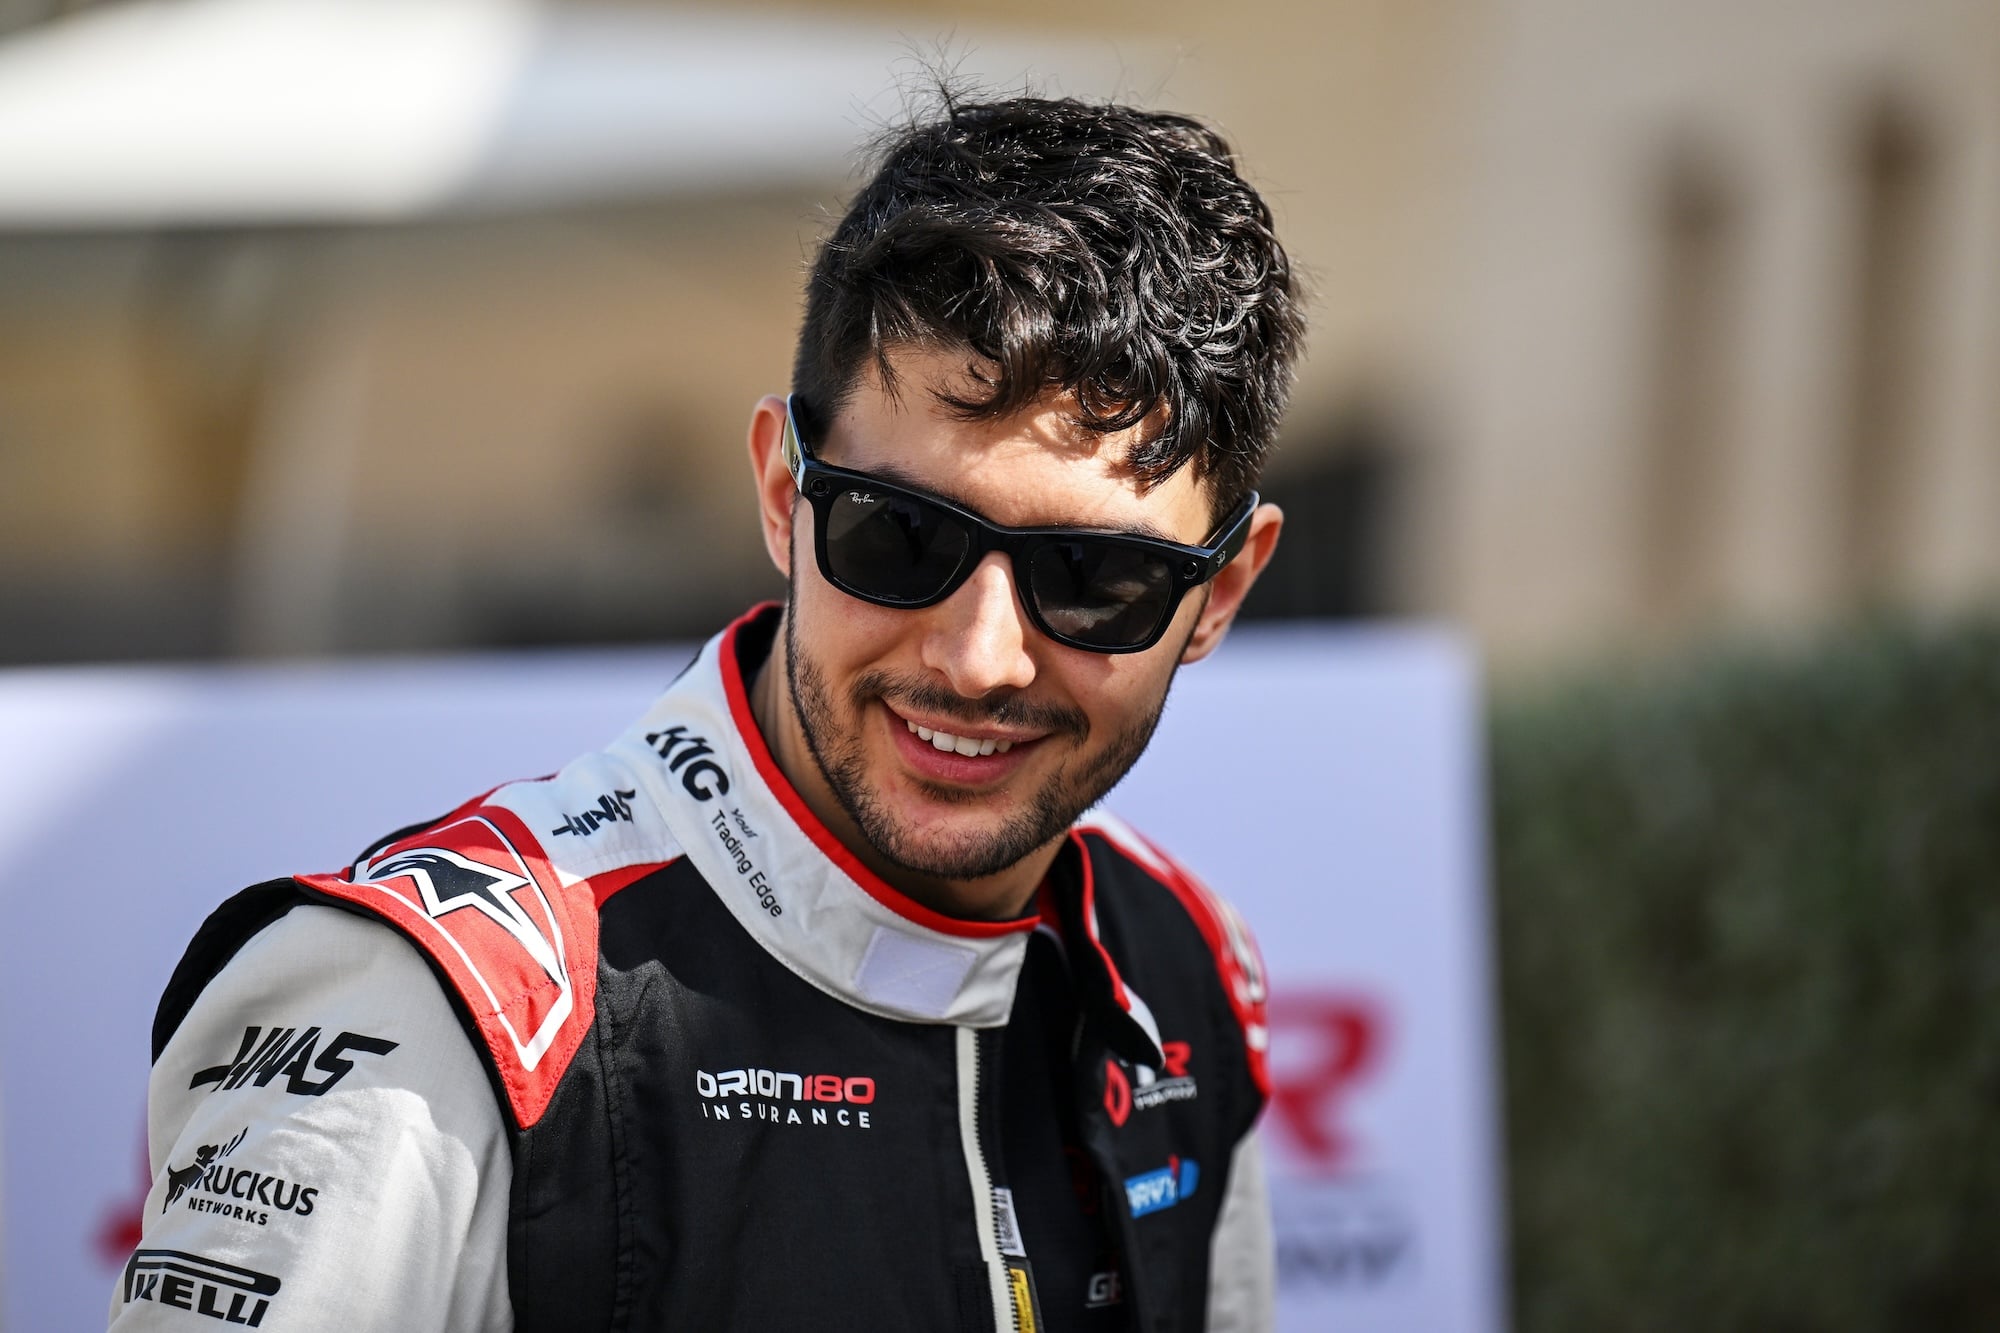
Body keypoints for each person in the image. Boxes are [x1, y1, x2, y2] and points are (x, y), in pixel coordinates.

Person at [111, 93, 1303, 1332]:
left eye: (1093, 580)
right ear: (784, 494)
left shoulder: (1183, 971)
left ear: (1218, 591)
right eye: (898, 536)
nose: (979, 657)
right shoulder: (434, 1003)